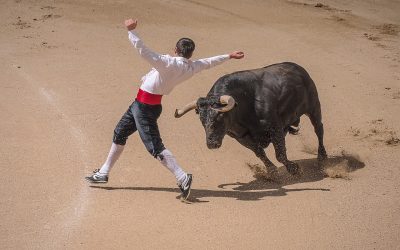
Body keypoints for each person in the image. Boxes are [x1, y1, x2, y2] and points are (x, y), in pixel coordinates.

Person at [85, 18, 244, 201]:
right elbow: (209, 62)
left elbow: (143, 51)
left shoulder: (167, 63)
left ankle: (182, 177)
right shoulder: (191, 67)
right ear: (190, 54)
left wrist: (131, 31)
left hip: (144, 108)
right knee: (120, 132)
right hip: (144, 105)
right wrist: (228, 56)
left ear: (176, 50)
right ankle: (103, 172)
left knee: (155, 146)